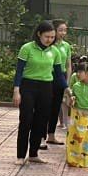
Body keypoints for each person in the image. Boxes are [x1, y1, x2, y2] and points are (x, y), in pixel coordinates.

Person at [13, 21, 65, 165]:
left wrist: (67, 89)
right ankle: (20, 156)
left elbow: (59, 75)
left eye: (52, 37)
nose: (50, 40)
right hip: (28, 86)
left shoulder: (55, 51)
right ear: (39, 34)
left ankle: (34, 154)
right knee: (26, 120)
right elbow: (19, 71)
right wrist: (16, 90)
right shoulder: (27, 48)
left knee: (41, 121)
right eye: (47, 37)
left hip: (46, 87)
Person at [46, 20, 72, 145]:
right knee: (45, 106)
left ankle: (51, 135)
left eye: (65, 30)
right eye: (60, 30)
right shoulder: (48, 45)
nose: (63, 33)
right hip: (48, 76)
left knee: (56, 107)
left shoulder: (66, 46)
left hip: (60, 77)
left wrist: (67, 82)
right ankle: (41, 136)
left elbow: (68, 65)